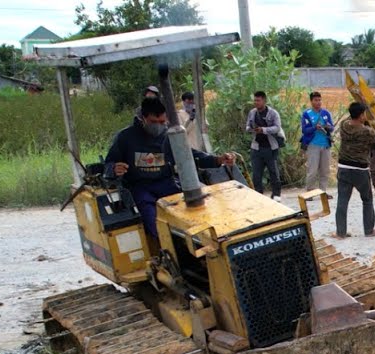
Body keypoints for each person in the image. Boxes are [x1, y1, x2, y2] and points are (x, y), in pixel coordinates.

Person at [104, 97, 237, 242]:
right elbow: (109, 162)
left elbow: (189, 155)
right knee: (155, 224)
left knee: (195, 212)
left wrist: (217, 160)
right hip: (140, 188)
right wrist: (114, 168)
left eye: (162, 122)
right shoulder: (125, 137)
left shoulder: (169, 136)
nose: (158, 126)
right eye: (154, 122)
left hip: (166, 183)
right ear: (143, 118)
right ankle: (167, 248)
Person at [335, 101, 375, 238]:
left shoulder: (344, 125)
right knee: (367, 199)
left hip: (343, 168)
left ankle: (340, 232)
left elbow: (350, 118)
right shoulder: (365, 131)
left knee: (342, 200)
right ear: (361, 115)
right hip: (360, 170)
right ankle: (369, 230)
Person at [245, 90, 284, 199]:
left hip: (271, 148)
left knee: (273, 173)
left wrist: (263, 130)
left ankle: (276, 195)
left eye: (258, 100)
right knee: (256, 175)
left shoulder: (273, 113)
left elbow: (277, 128)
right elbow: (247, 126)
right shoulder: (252, 113)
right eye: (255, 100)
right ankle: (259, 196)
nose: (256, 103)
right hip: (256, 148)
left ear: (264, 101)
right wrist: (252, 129)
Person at [300, 91, 335, 193]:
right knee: (312, 170)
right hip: (313, 144)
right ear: (311, 101)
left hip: (325, 145)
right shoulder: (307, 114)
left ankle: (323, 191)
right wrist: (315, 127)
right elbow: (304, 130)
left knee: (325, 170)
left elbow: (332, 127)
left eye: (319, 100)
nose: (318, 102)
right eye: (316, 100)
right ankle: (310, 191)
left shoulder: (326, 113)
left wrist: (327, 127)